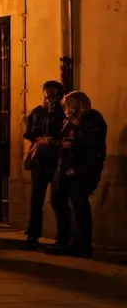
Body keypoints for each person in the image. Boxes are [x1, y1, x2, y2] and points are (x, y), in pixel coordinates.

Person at [49, 91, 107, 257]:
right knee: (58, 198)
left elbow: (92, 142)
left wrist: (75, 142)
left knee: (78, 201)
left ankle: (82, 243)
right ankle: (64, 239)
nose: (65, 108)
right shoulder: (69, 120)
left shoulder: (93, 120)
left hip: (84, 168)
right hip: (66, 166)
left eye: (68, 104)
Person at [23, 80, 66, 249]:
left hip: (58, 160)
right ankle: (33, 233)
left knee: (59, 198)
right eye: (47, 94)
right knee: (36, 198)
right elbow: (29, 134)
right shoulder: (37, 112)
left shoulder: (63, 114)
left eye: (53, 94)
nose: (49, 98)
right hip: (40, 159)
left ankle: (63, 236)